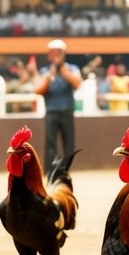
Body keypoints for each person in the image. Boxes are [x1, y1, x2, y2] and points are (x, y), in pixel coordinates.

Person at [34, 39, 82, 173]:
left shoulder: (71, 69)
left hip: (67, 110)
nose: (53, 55)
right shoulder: (45, 71)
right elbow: (38, 90)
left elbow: (78, 84)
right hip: (51, 111)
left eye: (56, 53)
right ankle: (51, 171)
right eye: (52, 53)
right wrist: (51, 73)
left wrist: (63, 70)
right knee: (51, 145)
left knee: (69, 144)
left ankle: (66, 171)